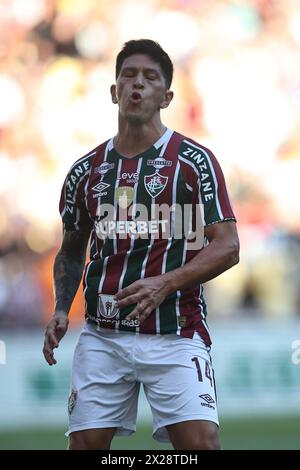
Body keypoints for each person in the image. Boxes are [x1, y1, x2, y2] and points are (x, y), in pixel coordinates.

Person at [43, 39, 239, 450]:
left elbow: (228, 245)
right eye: (128, 75)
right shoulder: (86, 171)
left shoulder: (193, 162)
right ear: (114, 91)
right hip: (103, 334)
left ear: (166, 96)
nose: (137, 85)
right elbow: (72, 247)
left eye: (150, 78)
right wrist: (62, 308)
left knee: (202, 446)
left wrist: (165, 282)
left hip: (175, 330)